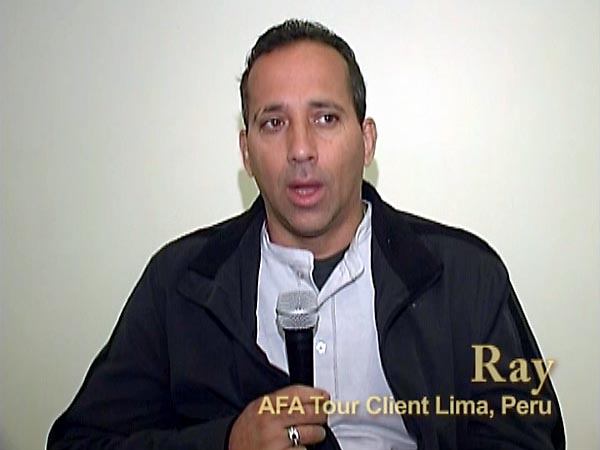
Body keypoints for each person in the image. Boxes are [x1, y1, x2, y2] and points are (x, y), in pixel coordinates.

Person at [48, 19, 565, 450]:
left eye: (325, 117)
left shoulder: (465, 276)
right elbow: (79, 442)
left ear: (366, 141)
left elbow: (528, 439)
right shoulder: (180, 284)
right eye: (274, 124)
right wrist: (226, 442)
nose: (300, 149)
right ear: (246, 151)